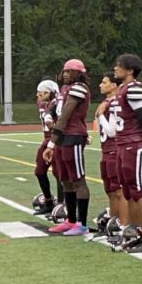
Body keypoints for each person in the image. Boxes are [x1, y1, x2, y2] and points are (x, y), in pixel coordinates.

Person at [111, 53, 142, 253]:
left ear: (130, 70)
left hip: (134, 143)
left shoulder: (134, 88)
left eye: (118, 65)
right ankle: (133, 233)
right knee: (128, 191)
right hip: (123, 143)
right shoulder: (122, 89)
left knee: (139, 190)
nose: (115, 68)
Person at [45, 59, 92, 236]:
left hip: (73, 135)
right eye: (64, 71)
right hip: (63, 137)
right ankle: (71, 220)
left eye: (69, 71)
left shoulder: (79, 87)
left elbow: (65, 116)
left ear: (78, 73)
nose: (64, 74)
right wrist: (49, 116)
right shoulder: (65, 89)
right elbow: (55, 109)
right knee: (65, 179)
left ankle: (82, 223)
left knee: (78, 179)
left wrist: (51, 142)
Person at [95, 72, 127, 243]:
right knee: (110, 190)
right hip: (106, 150)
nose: (100, 85)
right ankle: (113, 222)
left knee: (117, 191)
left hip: (113, 149)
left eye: (104, 82)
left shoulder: (114, 102)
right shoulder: (108, 102)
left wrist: (100, 115)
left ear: (114, 85)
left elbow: (112, 131)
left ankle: (120, 224)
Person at [32, 79, 60, 215]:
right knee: (39, 171)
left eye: (42, 92)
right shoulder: (43, 104)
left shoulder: (59, 103)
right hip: (46, 141)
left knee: (59, 174)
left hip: (56, 141)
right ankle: (48, 201)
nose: (39, 95)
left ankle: (61, 205)